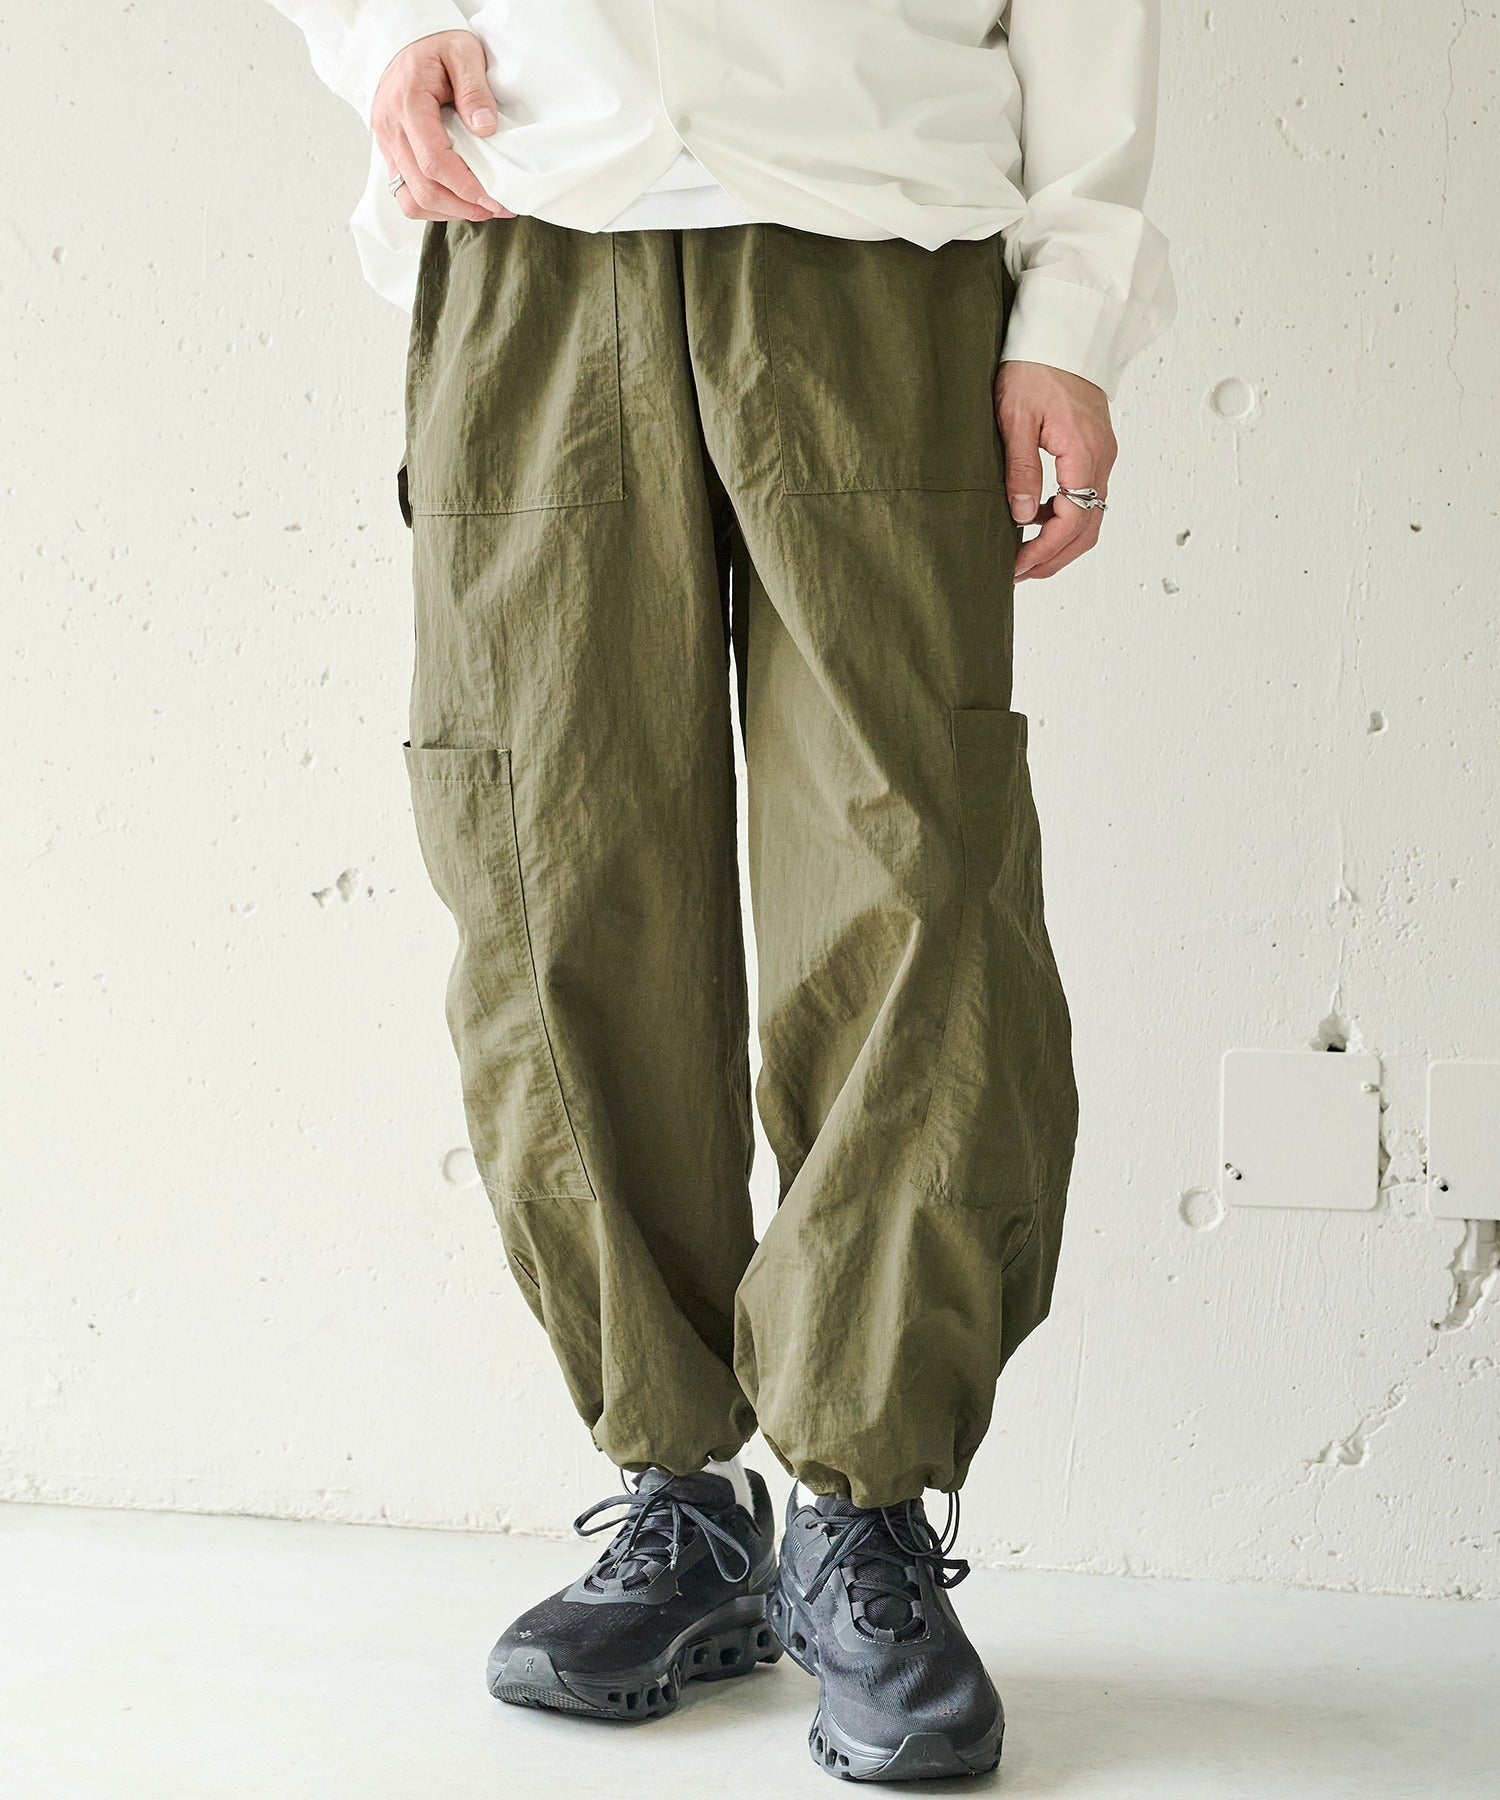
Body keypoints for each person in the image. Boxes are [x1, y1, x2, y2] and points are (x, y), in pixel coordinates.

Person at [268, 2, 1173, 1780]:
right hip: (529, 222)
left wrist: (1070, 313)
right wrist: (383, 32)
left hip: (874, 233)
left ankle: (863, 1514)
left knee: (915, 882)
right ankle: (680, 1500)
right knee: (551, 878)